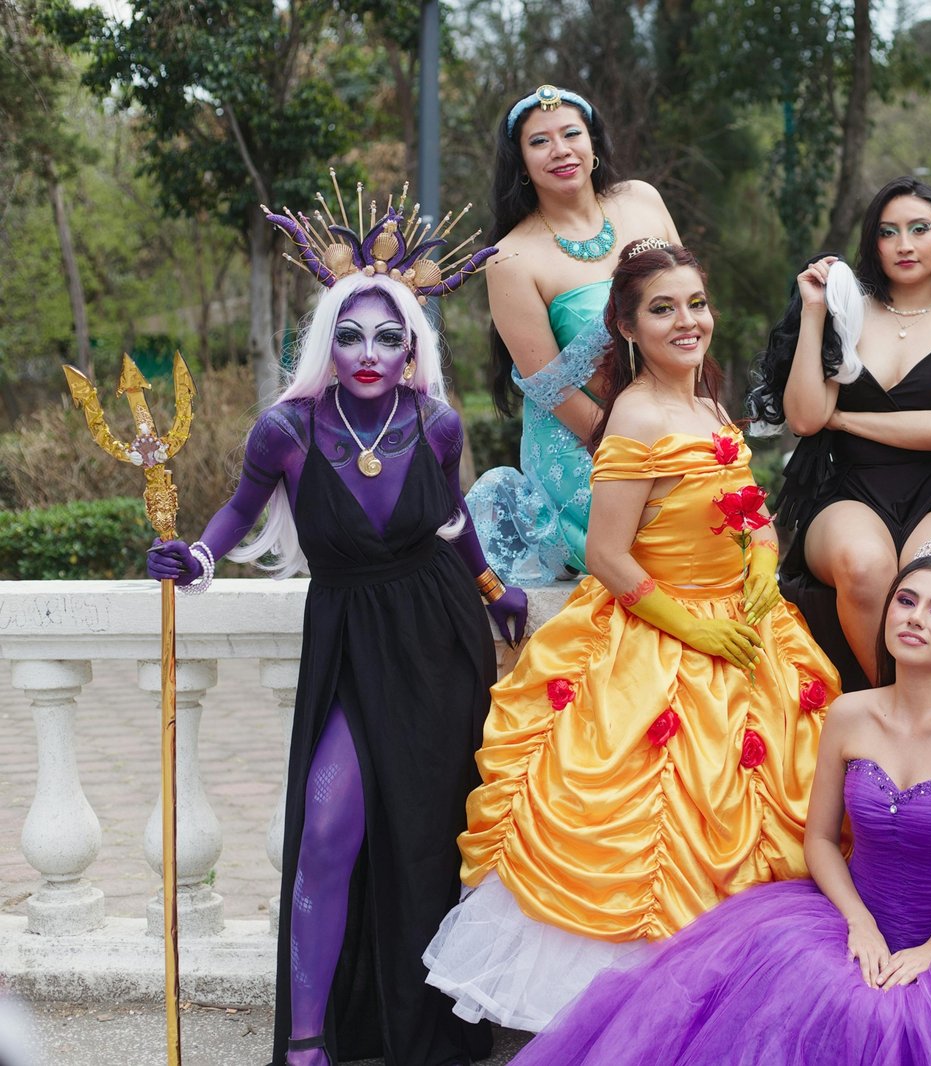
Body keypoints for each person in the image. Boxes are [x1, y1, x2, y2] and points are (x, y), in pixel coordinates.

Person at [508, 543, 931, 1065]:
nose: (915, 619)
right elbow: (818, 841)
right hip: (849, 926)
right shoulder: (849, 713)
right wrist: (859, 927)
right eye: (905, 601)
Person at [147, 187, 527, 1066]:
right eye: (350, 335)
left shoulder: (434, 423)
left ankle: (425, 1028)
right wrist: (197, 562)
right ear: (326, 342)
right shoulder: (285, 428)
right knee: (326, 830)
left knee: (428, 837)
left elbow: (451, 521)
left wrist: (490, 582)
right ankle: (310, 1040)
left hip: (438, 638)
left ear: (412, 348)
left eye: (388, 337)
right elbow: (236, 515)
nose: (368, 352)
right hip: (352, 635)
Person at [425, 239, 841, 1032]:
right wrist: (693, 627)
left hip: (748, 632)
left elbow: (749, 507)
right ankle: (651, 1019)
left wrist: (760, 559)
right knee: (658, 815)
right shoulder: (637, 417)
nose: (687, 322)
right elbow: (611, 557)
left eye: (696, 304)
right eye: (663, 309)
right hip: (658, 637)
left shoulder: (710, 407)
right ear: (626, 325)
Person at [750, 176, 931, 691]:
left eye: (919, 229)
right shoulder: (849, 311)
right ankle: (895, 706)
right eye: (889, 232)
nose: (904, 244)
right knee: (866, 567)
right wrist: (816, 311)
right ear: (873, 244)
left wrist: (839, 420)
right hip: (851, 486)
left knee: (926, 577)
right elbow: (802, 418)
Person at [466, 84, 681, 587]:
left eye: (571, 134)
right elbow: (553, 390)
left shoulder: (642, 200)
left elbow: (688, 308)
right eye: (540, 141)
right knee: (667, 536)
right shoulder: (510, 258)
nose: (560, 150)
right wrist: (636, 453)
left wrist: (688, 427)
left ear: (593, 144)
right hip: (586, 442)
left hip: (674, 413)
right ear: (520, 162)